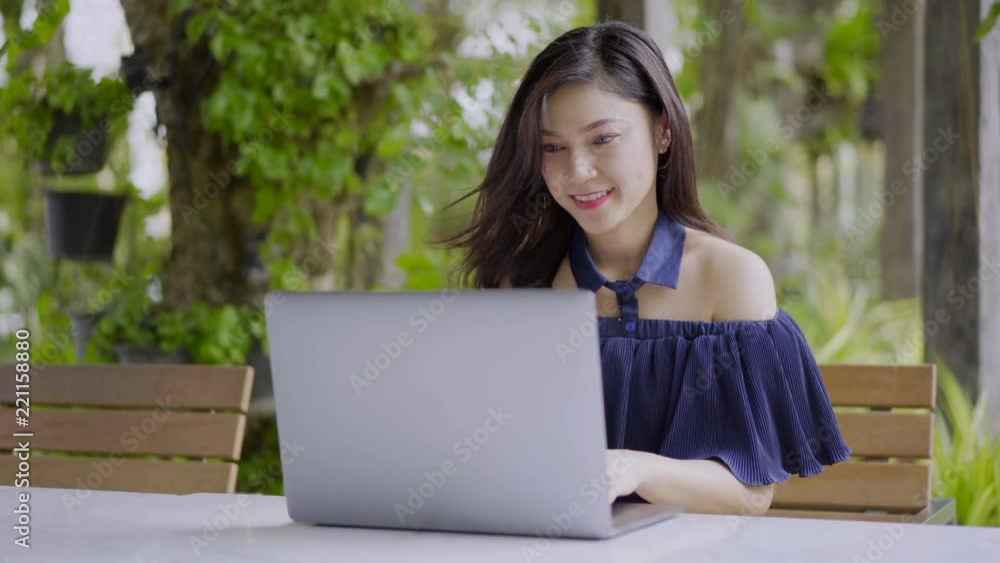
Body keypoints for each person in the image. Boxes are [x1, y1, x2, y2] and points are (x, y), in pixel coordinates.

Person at [441, 21, 851, 515]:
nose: (577, 171)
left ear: (662, 131)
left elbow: (749, 495)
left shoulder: (730, 279)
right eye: (552, 148)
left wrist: (632, 469)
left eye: (603, 139)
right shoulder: (525, 280)